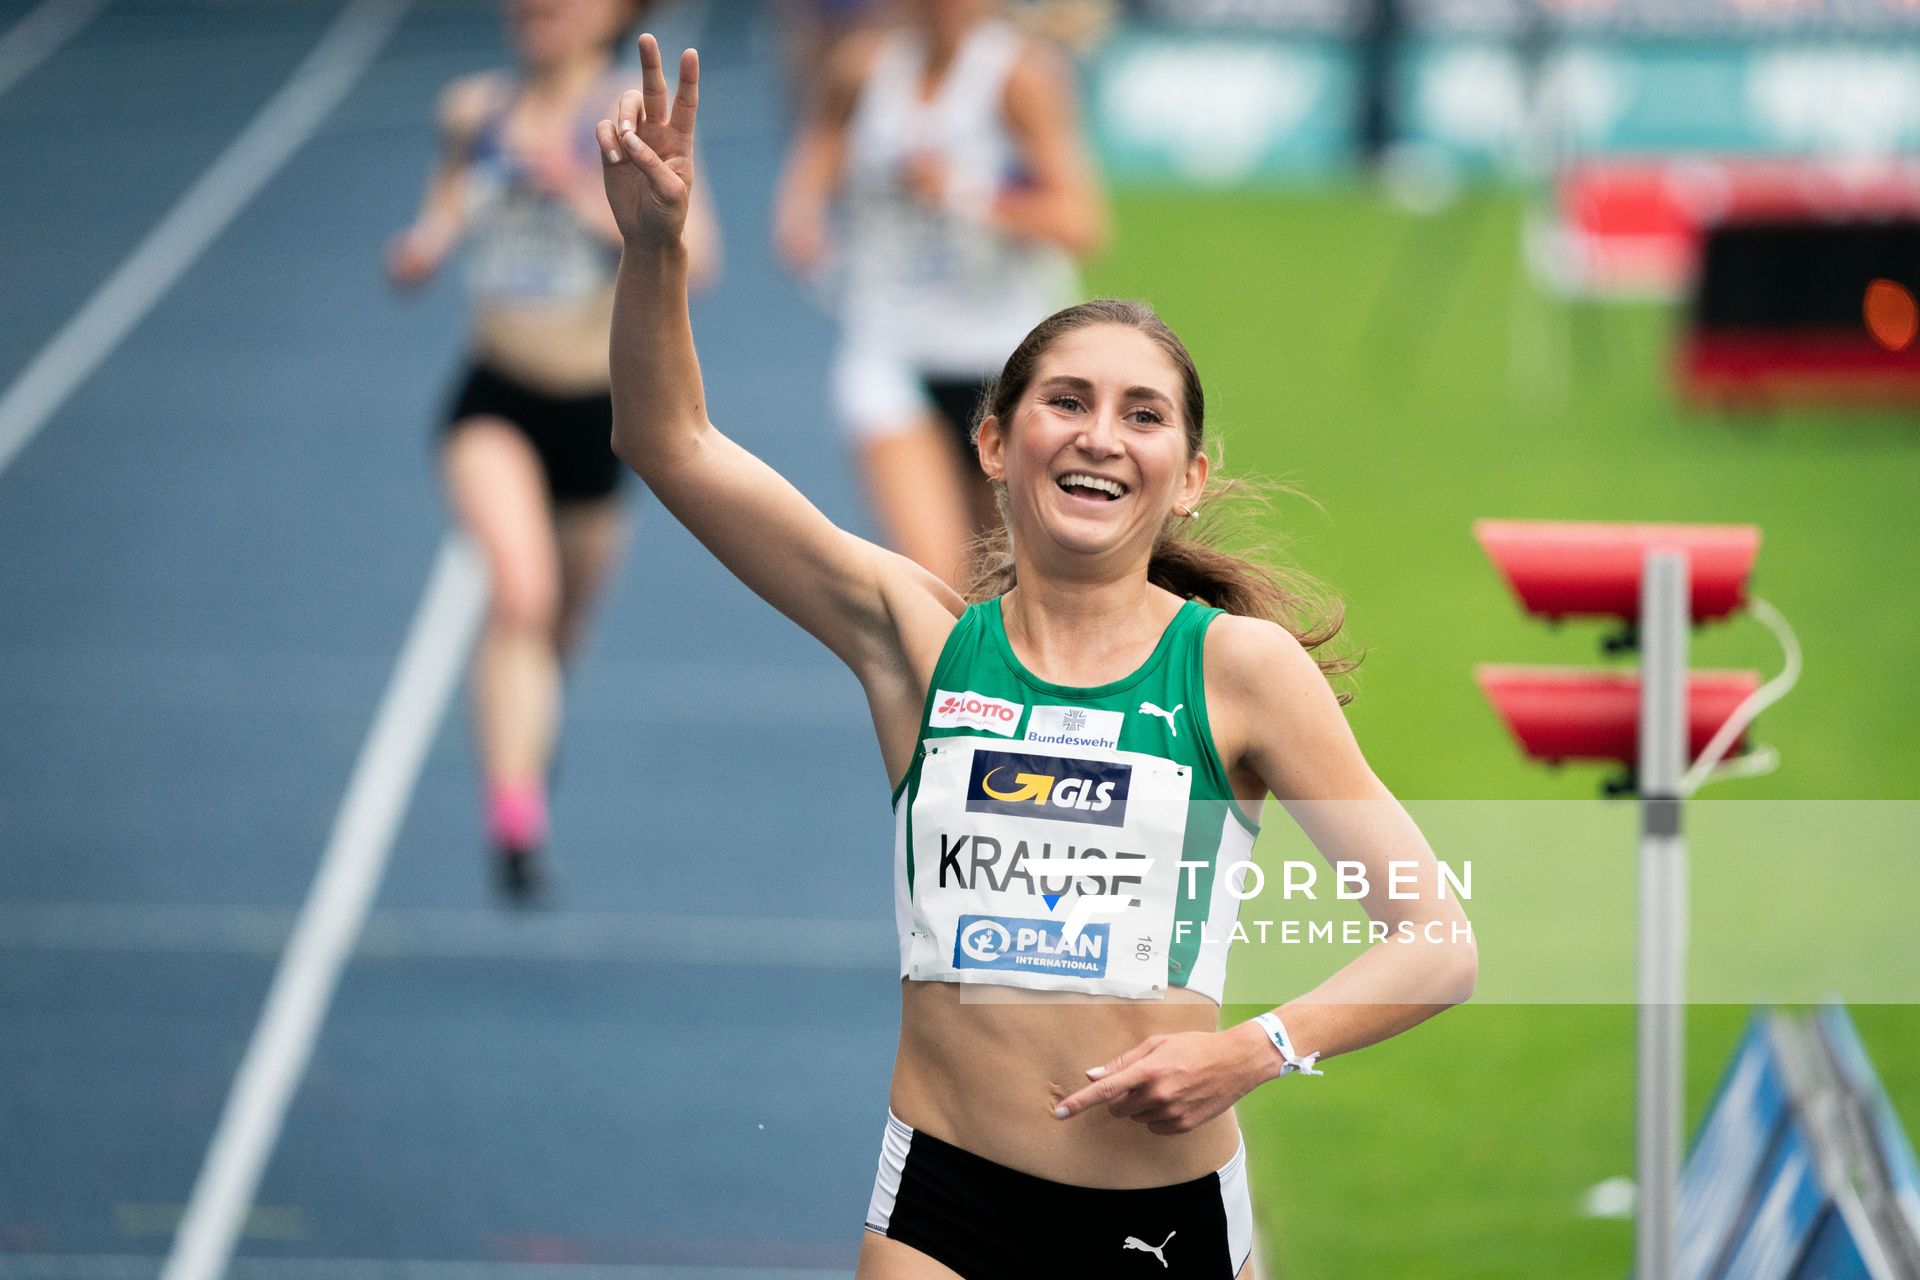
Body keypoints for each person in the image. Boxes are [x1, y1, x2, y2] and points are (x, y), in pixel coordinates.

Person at [599, 36, 1476, 1277]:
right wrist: (655, 249)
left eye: (1143, 413)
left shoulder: (1237, 671)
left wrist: (1251, 1048)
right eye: (1065, 401)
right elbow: (667, 439)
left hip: (1158, 1223)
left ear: (1189, 478)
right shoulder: (915, 639)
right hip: (942, 1198)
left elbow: (1439, 938)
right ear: (997, 442)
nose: (1100, 436)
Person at [386, 0, 719, 899]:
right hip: (492, 397)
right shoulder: (470, 110)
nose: (541, 12)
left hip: (600, 416)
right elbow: (445, 211)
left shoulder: (628, 118)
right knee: (520, 594)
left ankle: (528, 731)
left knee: (560, 631)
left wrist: (578, 193)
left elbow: (703, 258)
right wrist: (421, 249)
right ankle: (516, 823)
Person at [772, 0, 1108, 588]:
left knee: (1015, 586)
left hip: (1009, 365)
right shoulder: (862, 69)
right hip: (894, 353)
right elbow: (813, 165)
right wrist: (804, 224)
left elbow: (1081, 224)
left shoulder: (1017, 77)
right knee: (935, 584)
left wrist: (962, 191)